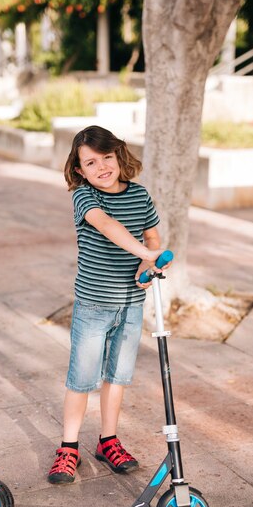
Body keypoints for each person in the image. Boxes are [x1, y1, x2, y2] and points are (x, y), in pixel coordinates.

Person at [48, 125, 169, 484]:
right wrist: (144, 252)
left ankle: (108, 441)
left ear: (118, 155)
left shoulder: (140, 195)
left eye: (106, 157)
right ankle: (69, 448)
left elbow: (153, 234)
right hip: (93, 306)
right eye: (90, 162)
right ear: (79, 171)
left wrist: (150, 261)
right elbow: (107, 225)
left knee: (117, 377)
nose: (101, 166)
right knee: (82, 379)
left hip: (131, 305)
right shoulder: (86, 198)